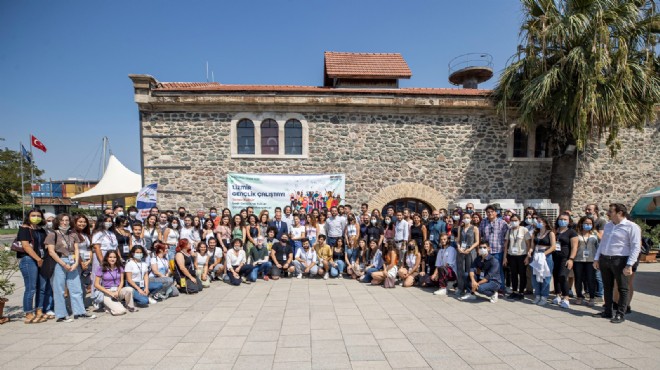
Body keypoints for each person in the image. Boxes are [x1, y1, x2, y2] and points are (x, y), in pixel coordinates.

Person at [593, 203, 641, 324]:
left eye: (611, 211)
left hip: (620, 260)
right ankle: (607, 310)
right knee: (607, 286)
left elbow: (636, 247)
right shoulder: (609, 226)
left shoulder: (632, 227)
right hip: (605, 259)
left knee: (622, 288)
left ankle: (620, 313)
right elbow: (603, 243)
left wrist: (629, 264)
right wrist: (596, 258)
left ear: (620, 213)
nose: (608, 213)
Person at [46, 214, 95, 322]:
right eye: (62, 220)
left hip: (73, 262)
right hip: (59, 262)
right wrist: (63, 264)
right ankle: (61, 315)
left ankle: (80, 312)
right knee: (59, 290)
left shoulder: (72, 234)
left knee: (76, 288)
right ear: (58, 222)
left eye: (67, 220)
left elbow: (76, 249)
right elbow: (51, 251)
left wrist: (76, 262)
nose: (65, 222)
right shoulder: (52, 234)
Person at [17, 209, 52, 324]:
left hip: (41, 260)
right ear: (28, 216)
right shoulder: (24, 229)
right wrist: (38, 259)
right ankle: (28, 312)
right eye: (33, 215)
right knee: (31, 288)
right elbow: (26, 246)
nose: (36, 217)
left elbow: (45, 245)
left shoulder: (41, 230)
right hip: (29, 260)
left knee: (41, 287)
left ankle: (39, 310)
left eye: (38, 215)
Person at [93, 251, 137, 315]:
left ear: (117, 258)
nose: (112, 259)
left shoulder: (120, 267)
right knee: (121, 311)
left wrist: (117, 291)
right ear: (107, 258)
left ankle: (130, 306)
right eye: (110, 257)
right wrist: (110, 293)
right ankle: (109, 306)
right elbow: (96, 284)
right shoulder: (101, 268)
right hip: (106, 292)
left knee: (129, 289)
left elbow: (121, 281)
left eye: (114, 257)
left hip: (117, 290)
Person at [526, 216, 556, 306]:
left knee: (545, 276)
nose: (538, 223)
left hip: (545, 255)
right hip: (536, 254)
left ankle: (544, 296)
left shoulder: (550, 233)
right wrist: (530, 251)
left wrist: (544, 254)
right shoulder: (535, 233)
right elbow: (532, 245)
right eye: (537, 221)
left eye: (540, 221)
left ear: (545, 223)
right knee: (535, 276)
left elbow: (553, 246)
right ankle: (537, 295)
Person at [479, 205, 509, 292]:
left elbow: (506, 238)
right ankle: (488, 287)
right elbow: (480, 235)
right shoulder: (483, 222)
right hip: (486, 251)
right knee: (487, 270)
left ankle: (501, 288)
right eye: (488, 212)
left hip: (498, 251)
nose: (490, 213)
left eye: (492, 211)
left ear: (496, 213)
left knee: (498, 271)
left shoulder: (502, 223)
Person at [552, 212, 578, 308]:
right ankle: (558, 295)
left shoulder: (572, 232)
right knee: (555, 276)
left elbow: (574, 247)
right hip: (555, 256)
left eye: (565, 219)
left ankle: (566, 297)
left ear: (569, 221)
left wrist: (571, 259)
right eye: (561, 219)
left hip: (565, 257)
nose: (562, 221)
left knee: (562, 276)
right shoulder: (555, 231)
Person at [502, 214, 529, 300]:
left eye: (515, 220)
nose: (514, 222)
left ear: (519, 221)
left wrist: (528, 257)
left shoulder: (524, 230)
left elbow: (528, 244)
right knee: (513, 274)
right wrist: (505, 257)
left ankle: (521, 292)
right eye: (512, 220)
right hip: (511, 256)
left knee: (522, 274)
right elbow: (506, 245)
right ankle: (514, 291)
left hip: (522, 255)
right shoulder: (509, 231)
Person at [573, 216, 598, 306]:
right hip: (578, 259)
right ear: (581, 223)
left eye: (590, 223)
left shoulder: (595, 234)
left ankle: (592, 298)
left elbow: (598, 247)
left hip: (591, 260)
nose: (588, 225)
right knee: (578, 279)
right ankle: (579, 296)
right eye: (586, 223)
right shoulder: (577, 234)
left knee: (591, 279)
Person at [455, 213, 479, 297]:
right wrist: (458, 247)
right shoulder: (460, 228)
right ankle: (461, 288)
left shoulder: (474, 228)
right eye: (464, 217)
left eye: (468, 217)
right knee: (460, 269)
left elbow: (477, 242)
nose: (466, 219)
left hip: (470, 251)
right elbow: (458, 240)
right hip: (461, 250)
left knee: (470, 270)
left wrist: (470, 248)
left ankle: (470, 290)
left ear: (471, 219)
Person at [91, 215, 119, 286]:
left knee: (110, 275)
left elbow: (116, 247)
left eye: (110, 221)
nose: (108, 223)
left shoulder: (111, 233)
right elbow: (97, 247)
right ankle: (97, 294)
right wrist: (102, 261)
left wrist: (119, 258)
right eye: (106, 221)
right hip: (102, 255)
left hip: (112, 256)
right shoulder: (98, 233)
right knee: (99, 274)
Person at [72, 214, 92, 300]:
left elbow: (90, 248)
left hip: (87, 261)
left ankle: (82, 303)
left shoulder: (86, 234)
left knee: (84, 283)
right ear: (75, 222)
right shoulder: (72, 234)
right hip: (76, 260)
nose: (82, 224)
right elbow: (74, 250)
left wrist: (89, 260)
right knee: (77, 284)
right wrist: (81, 262)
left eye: (84, 222)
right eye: (80, 222)